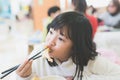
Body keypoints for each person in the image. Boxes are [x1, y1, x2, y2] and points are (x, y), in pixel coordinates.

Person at [10, 12, 120, 80]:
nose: (50, 41)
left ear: (76, 46)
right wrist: (23, 77)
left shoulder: (89, 61)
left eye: (61, 38)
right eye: (51, 32)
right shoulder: (39, 55)